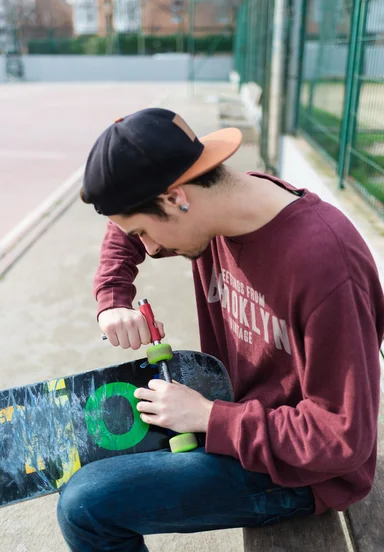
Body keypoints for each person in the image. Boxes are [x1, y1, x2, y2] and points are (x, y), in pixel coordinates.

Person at [57, 107, 384, 552]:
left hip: (301, 472)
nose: (150, 249)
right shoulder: (216, 206)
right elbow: (126, 232)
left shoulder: (324, 265)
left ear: (175, 198)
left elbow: (341, 439)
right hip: (238, 416)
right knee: (86, 448)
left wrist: (210, 417)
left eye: (145, 232)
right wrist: (113, 297)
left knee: (85, 505)